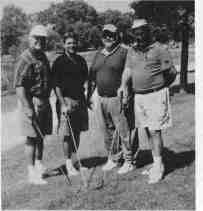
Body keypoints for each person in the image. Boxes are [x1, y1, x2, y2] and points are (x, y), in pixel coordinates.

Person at [120, 19, 176, 183]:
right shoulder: (132, 50)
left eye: (142, 31)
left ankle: (159, 166)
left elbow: (171, 72)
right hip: (139, 96)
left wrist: (161, 87)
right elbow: (127, 70)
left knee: (154, 130)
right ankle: (156, 162)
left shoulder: (159, 49)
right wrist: (124, 87)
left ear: (147, 31)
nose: (139, 35)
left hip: (155, 94)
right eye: (136, 32)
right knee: (146, 129)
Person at [87, 24, 133, 174]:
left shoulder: (124, 52)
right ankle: (113, 158)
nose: (108, 37)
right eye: (105, 34)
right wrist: (89, 96)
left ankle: (129, 160)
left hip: (117, 98)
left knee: (123, 130)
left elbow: (130, 73)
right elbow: (92, 77)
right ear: (102, 37)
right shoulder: (98, 54)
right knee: (106, 131)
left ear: (117, 36)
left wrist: (127, 93)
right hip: (101, 97)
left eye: (111, 34)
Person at [14, 25, 53, 185]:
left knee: (41, 135)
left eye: (42, 39)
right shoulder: (25, 58)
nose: (39, 41)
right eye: (36, 38)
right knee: (31, 137)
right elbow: (19, 86)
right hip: (30, 102)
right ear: (30, 38)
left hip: (43, 101)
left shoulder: (42, 56)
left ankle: (39, 165)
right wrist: (27, 107)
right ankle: (31, 172)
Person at [52, 32, 89, 176]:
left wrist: (86, 96)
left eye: (74, 43)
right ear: (63, 45)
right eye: (68, 43)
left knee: (77, 132)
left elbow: (85, 80)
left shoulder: (80, 60)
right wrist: (62, 104)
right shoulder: (59, 62)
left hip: (79, 100)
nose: (72, 45)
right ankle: (68, 164)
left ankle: (75, 161)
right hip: (66, 100)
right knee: (67, 134)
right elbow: (56, 86)